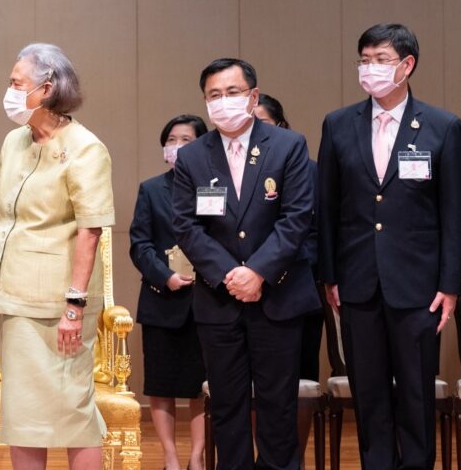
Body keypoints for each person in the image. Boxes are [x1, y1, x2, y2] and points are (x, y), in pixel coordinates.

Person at [317, 23, 461, 470]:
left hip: (419, 286)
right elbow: (327, 208)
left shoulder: (442, 126)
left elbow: (454, 212)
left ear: (407, 66)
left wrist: (450, 283)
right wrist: (330, 275)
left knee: (417, 393)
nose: (370, 69)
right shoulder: (339, 124)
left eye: (381, 60)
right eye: (364, 60)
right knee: (369, 392)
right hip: (357, 283)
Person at [172, 58, 318, 470]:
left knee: (277, 407)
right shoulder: (192, 157)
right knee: (228, 408)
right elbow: (185, 225)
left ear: (253, 97)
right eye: (214, 95)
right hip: (219, 303)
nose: (223, 102)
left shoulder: (288, 146)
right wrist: (229, 275)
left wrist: (258, 272)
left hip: (278, 296)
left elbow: (296, 218)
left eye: (232, 93)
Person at [0, 43, 114, 470]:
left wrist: (74, 306)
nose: (11, 91)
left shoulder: (86, 147)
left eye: (17, 83)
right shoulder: (13, 142)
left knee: (74, 413)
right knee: (23, 418)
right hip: (14, 303)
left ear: (48, 87)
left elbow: (90, 231)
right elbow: (6, 222)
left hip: (59, 307)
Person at [129, 113, 208, 470]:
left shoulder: (216, 187)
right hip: (163, 299)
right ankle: (171, 458)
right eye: (171, 140)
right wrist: (165, 276)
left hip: (208, 302)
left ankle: (197, 456)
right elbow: (140, 244)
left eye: (186, 140)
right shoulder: (151, 189)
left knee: (202, 388)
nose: (176, 146)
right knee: (161, 386)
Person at [253, 94, 324, 384]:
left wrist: (270, 268)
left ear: (281, 125)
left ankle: (297, 433)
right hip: (241, 286)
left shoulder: (308, 169)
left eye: (262, 123)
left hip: (294, 283)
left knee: (299, 377)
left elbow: (314, 230)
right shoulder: (224, 166)